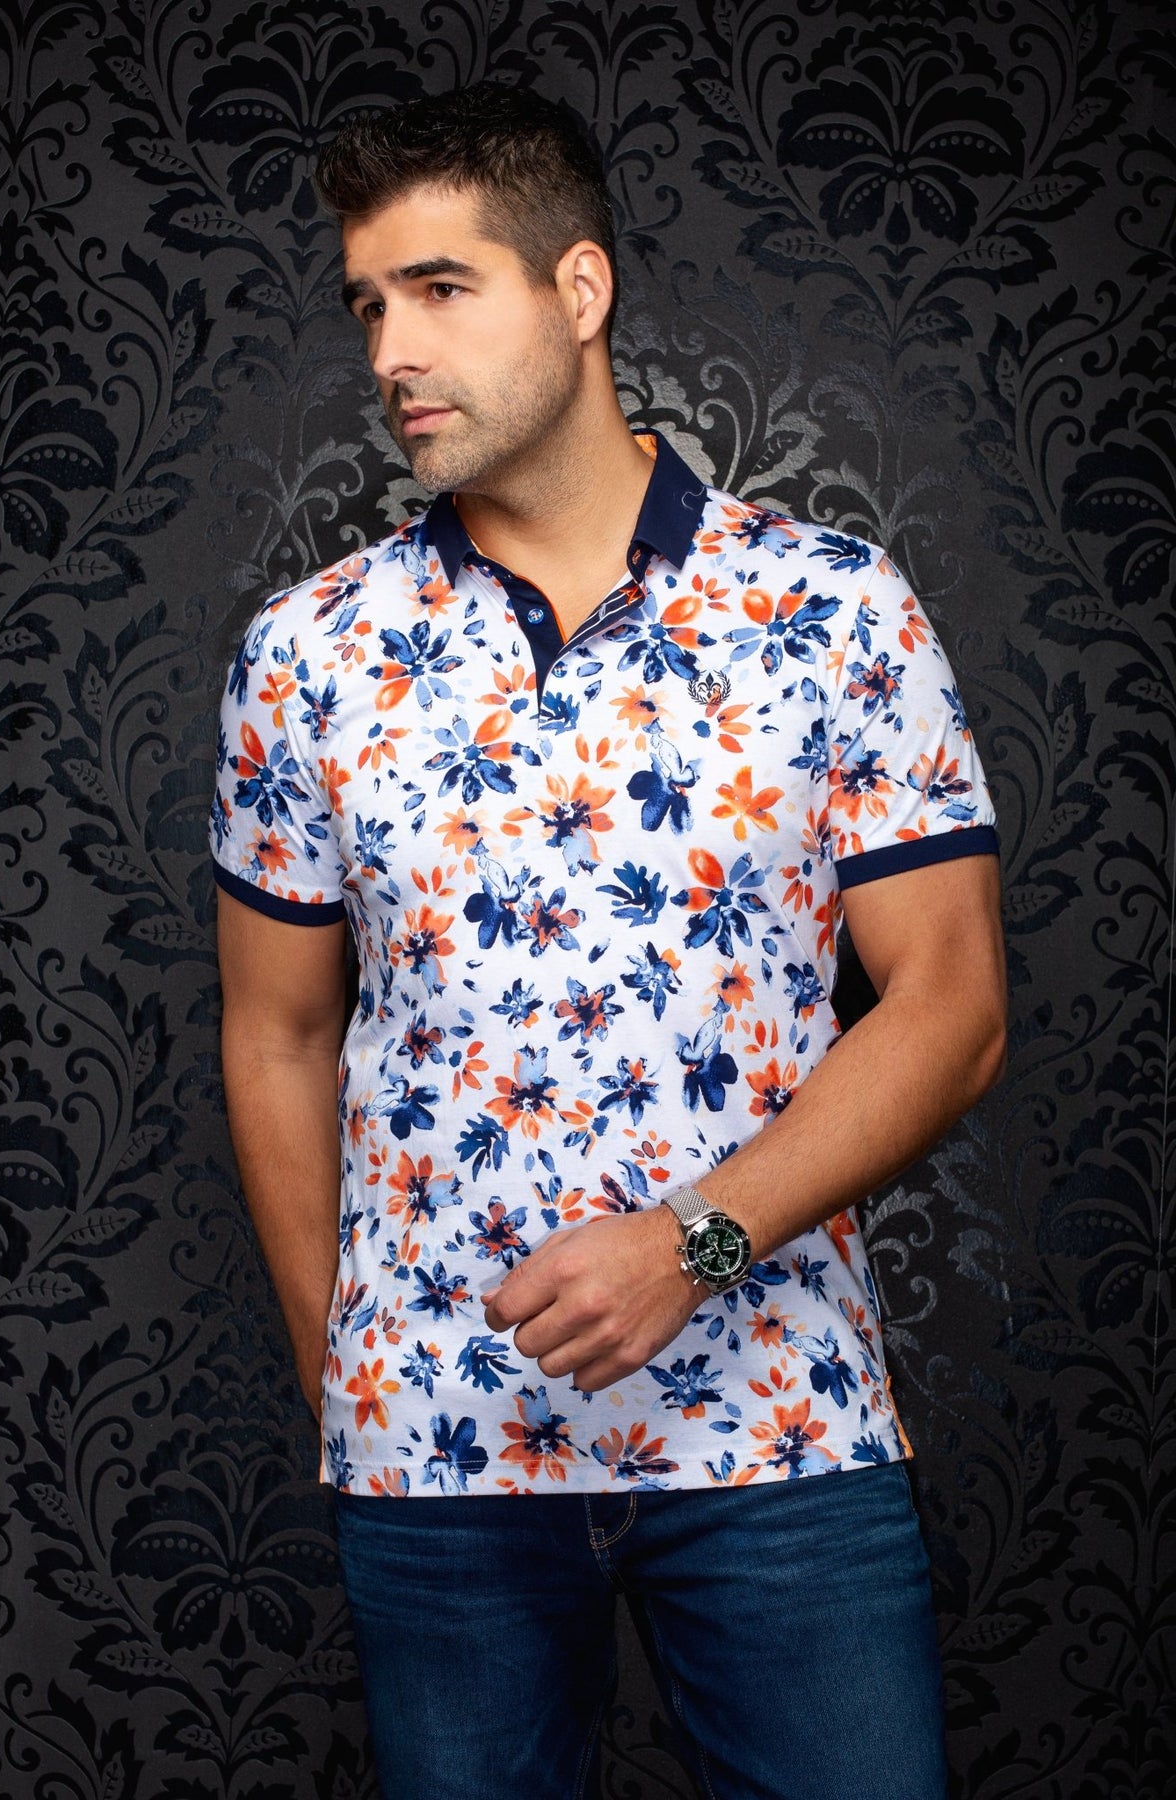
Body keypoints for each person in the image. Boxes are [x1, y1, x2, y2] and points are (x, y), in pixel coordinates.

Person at [210, 81, 1006, 1800]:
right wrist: (352, 1380)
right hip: (438, 1462)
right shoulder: (309, 651)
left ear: (580, 291)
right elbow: (275, 1031)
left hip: (779, 1430)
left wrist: (696, 1247)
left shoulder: (832, 609)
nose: (391, 352)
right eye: (368, 304)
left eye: (440, 289)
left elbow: (951, 1005)